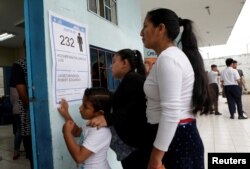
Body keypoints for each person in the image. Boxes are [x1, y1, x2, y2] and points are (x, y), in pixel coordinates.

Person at [140, 8, 209, 169]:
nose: (141, 32)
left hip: (176, 142)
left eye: (145, 26)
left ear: (161, 28)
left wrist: (156, 158)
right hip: (175, 138)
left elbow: (171, 112)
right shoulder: (170, 57)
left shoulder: (168, 58)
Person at [87, 49, 148, 169]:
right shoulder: (129, 80)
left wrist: (107, 118)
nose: (110, 65)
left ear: (125, 63)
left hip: (136, 148)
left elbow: (131, 109)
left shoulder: (133, 79)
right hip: (133, 147)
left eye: (114, 61)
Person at [57, 87, 112, 169]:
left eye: (85, 107)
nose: (80, 108)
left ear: (99, 113)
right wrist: (66, 114)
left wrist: (66, 133)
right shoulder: (91, 123)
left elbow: (79, 157)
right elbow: (77, 132)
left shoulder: (100, 131)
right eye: (82, 104)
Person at [10, 40, 33, 168]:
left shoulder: (19, 64)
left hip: (27, 114)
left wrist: (31, 107)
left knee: (33, 155)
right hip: (27, 114)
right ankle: (17, 150)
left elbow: (22, 95)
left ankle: (18, 151)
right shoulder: (23, 65)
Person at [10, 69, 23, 160]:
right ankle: (16, 151)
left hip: (15, 110)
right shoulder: (20, 85)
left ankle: (16, 151)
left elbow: (11, 101)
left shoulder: (11, 86)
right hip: (21, 111)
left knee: (18, 131)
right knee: (20, 131)